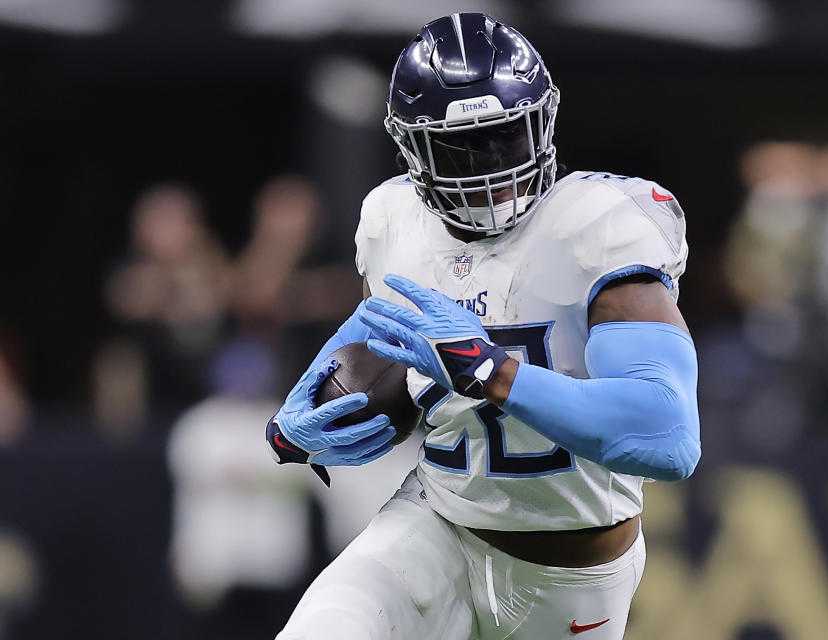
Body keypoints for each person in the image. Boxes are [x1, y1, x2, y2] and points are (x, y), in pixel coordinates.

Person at [267, 13, 700, 640]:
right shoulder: (394, 221)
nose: (486, 169)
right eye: (458, 148)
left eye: (504, 138)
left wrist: (494, 371)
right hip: (437, 526)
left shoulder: (598, 227)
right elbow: (387, 371)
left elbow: (667, 435)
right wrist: (311, 424)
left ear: (543, 123)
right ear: (411, 148)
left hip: (571, 574)